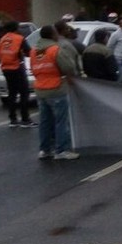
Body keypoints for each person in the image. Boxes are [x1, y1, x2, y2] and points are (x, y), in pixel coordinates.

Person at [30, 25, 79, 160]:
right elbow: (69, 67)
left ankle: (45, 149)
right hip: (56, 89)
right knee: (61, 121)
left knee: (45, 121)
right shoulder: (55, 50)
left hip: (40, 90)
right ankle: (61, 150)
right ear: (52, 35)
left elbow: (34, 70)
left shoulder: (34, 51)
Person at [0, 20, 34, 128]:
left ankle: (13, 119)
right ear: (16, 28)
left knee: (12, 93)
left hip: (6, 68)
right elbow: (29, 52)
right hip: (17, 67)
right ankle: (25, 119)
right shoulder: (19, 38)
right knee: (24, 93)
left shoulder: (2, 39)